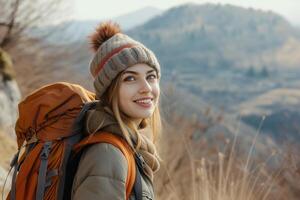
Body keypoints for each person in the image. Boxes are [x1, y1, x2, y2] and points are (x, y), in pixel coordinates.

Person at [71, 21, 162, 200]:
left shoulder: (126, 147)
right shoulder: (107, 154)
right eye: (130, 78)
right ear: (109, 91)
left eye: (150, 76)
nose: (146, 88)